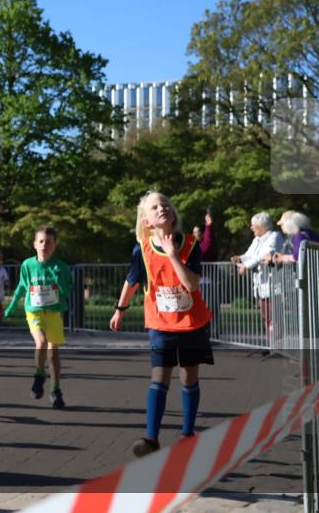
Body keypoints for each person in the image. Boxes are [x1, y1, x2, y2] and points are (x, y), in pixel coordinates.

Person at [110, 191, 213, 458]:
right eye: (155, 207)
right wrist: (120, 310)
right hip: (160, 324)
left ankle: (187, 434)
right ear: (146, 221)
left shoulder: (190, 244)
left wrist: (173, 255)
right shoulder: (141, 251)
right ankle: (151, 438)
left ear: (173, 213)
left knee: (189, 378)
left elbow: (191, 285)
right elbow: (131, 281)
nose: (162, 208)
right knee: (159, 377)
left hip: (192, 324)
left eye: (165, 204)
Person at [4, 230, 72, 408]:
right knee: (41, 342)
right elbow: (22, 286)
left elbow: (67, 291)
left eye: (49, 242)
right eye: (41, 242)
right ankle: (39, 374)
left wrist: (59, 281)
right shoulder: (28, 265)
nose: (44, 245)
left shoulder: (61, 267)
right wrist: (11, 306)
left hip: (53, 312)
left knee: (53, 353)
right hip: (34, 311)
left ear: (54, 245)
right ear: (35, 244)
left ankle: (56, 390)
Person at [230, 212, 285, 344]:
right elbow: (250, 255)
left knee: (274, 316)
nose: (251, 228)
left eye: (254, 225)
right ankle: (271, 344)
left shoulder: (274, 236)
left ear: (262, 226)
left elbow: (264, 255)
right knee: (266, 316)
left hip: (273, 284)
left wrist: (246, 266)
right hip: (261, 285)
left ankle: (276, 344)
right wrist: (240, 258)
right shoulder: (257, 239)